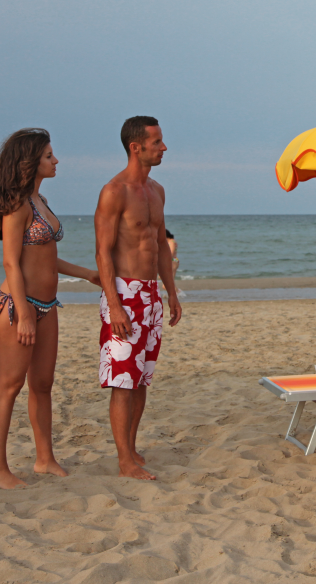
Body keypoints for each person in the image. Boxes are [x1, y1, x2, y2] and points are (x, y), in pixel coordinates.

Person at [0, 128, 100, 489]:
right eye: (49, 156)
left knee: (43, 384)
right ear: (30, 161)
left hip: (48, 305)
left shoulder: (40, 200)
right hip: (17, 307)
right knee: (10, 384)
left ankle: (44, 458)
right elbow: (12, 263)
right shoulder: (17, 206)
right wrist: (25, 313)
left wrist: (89, 274)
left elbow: (48, 258)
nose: (56, 160)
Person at [94, 116, 182, 480]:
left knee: (142, 378)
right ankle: (123, 460)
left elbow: (160, 244)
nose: (163, 147)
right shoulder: (114, 192)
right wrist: (113, 304)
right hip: (124, 293)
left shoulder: (157, 191)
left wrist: (171, 291)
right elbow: (102, 252)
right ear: (136, 147)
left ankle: (130, 448)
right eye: (157, 142)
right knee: (123, 382)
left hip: (150, 294)